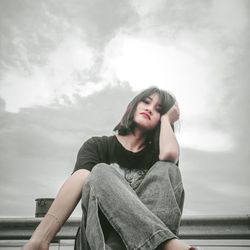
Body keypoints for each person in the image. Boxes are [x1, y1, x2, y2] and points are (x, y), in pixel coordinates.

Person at [22, 87, 199, 250]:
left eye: (159, 109)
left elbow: (169, 154)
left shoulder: (158, 156)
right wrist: (41, 238)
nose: (150, 108)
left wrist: (167, 119)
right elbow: (80, 177)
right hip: (97, 242)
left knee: (169, 169)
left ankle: (159, 243)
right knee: (100, 171)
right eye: (146, 101)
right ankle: (164, 245)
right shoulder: (98, 146)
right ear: (132, 106)